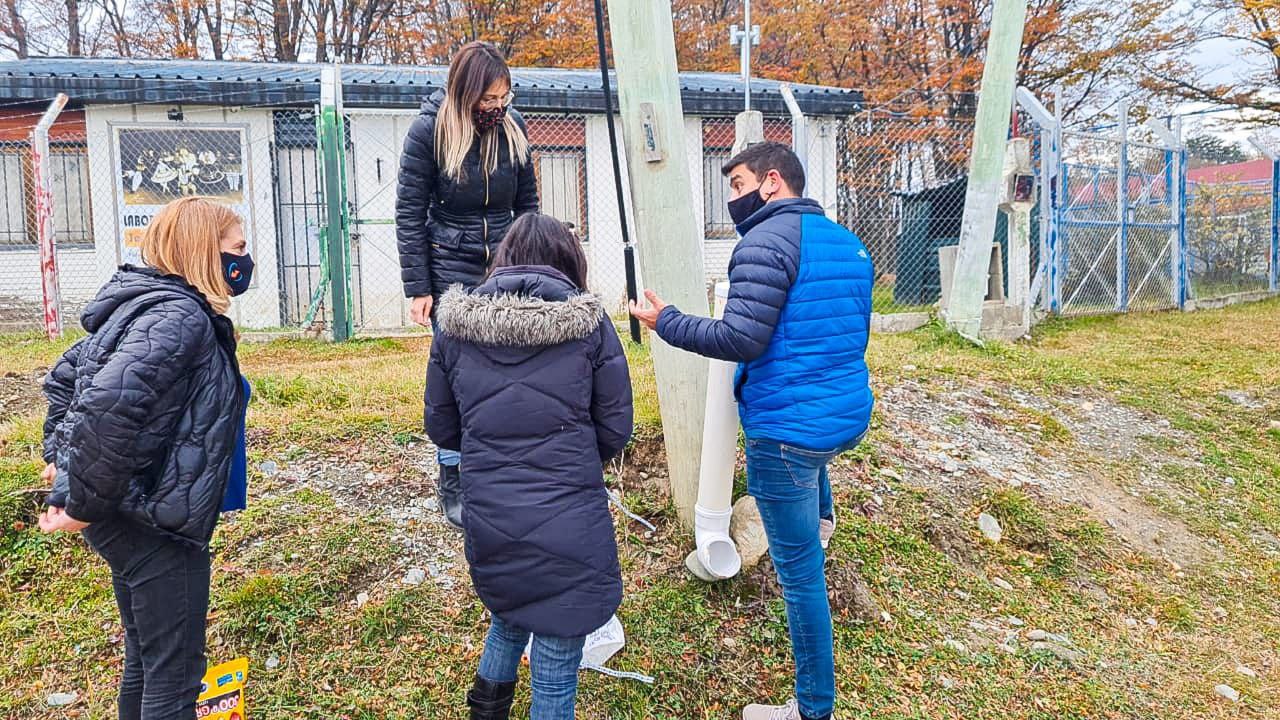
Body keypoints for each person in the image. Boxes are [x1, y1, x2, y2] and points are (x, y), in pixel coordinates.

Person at [629, 142, 874, 720]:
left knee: (801, 578)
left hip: (786, 434)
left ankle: (812, 710)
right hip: (843, 417)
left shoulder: (762, 243)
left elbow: (740, 339)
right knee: (813, 466)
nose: (733, 199)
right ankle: (821, 519)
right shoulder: (848, 243)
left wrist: (667, 321)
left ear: (772, 182)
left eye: (738, 185)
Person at [38, 196, 253, 720]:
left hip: (135, 509)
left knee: (148, 661)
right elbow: (106, 407)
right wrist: (81, 499)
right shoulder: (179, 317)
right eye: (238, 247)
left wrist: (63, 461)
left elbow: (66, 381)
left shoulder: (151, 308)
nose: (246, 260)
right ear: (204, 250)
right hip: (151, 521)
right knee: (174, 680)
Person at [425, 213, 632, 720]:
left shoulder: (455, 326)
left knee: (509, 613)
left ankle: (485, 710)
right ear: (569, 259)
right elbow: (615, 427)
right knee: (557, 657)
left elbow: (442, 428)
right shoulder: (589, 325)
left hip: (491, 513)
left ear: (503, 258)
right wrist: (571, 460)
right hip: (569, 518)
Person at [396, 40, 540, 530]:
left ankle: (501, 463)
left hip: (505, 264)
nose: (497, 107)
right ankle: (452, 473)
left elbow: (528, 206)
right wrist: (418, 287)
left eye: (504, 97)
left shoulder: (514, 128)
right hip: (448, 266)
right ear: (465, 92)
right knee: (458, 376)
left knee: (510, 368)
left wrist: (529, 263)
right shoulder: (428, 131)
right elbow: (409, 213)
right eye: (488, 99)